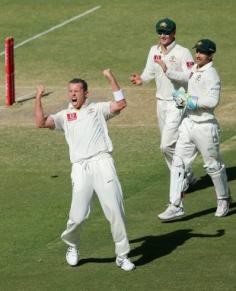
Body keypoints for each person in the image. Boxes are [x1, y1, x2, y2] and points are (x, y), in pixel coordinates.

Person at [34, 69, 135, 271]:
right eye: (70, 91)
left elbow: (121, 104)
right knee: (77, 216)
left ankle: (122, 255)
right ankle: (72, 246)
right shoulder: (64, 115)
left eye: (77, 91)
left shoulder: (98, 109)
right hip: (80, 168)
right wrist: (38, 97)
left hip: (102, 162)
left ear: (85, 93)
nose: (73, 94)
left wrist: (110, 78)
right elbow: (40, 122)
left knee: (115, 210)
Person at [158, 39, 231, 221]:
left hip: (205, 126)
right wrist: (166, 70)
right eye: (197, 51)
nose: (198, 54)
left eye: (202, 52)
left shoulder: (211, 74)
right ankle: (175, 205)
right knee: (178, 163)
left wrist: (191, 101)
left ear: (210, 55)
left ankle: (223, 199)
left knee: (213, 166)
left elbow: (213, 101)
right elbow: (184, 76)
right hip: (189, 124)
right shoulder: (195, 69)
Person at [130, 18, 197, 190]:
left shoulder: (183, 52)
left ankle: (180, 178)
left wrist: (169, 71)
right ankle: (187, 175)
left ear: (174, 33)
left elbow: (190, 76)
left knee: (165, 145)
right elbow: (149, 72)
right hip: (161, 100)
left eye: (166, 32)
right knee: (170, 143)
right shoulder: (154, 50)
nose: (163, 35)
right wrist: (141, 80)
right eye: (160, 32)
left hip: (179, 98)